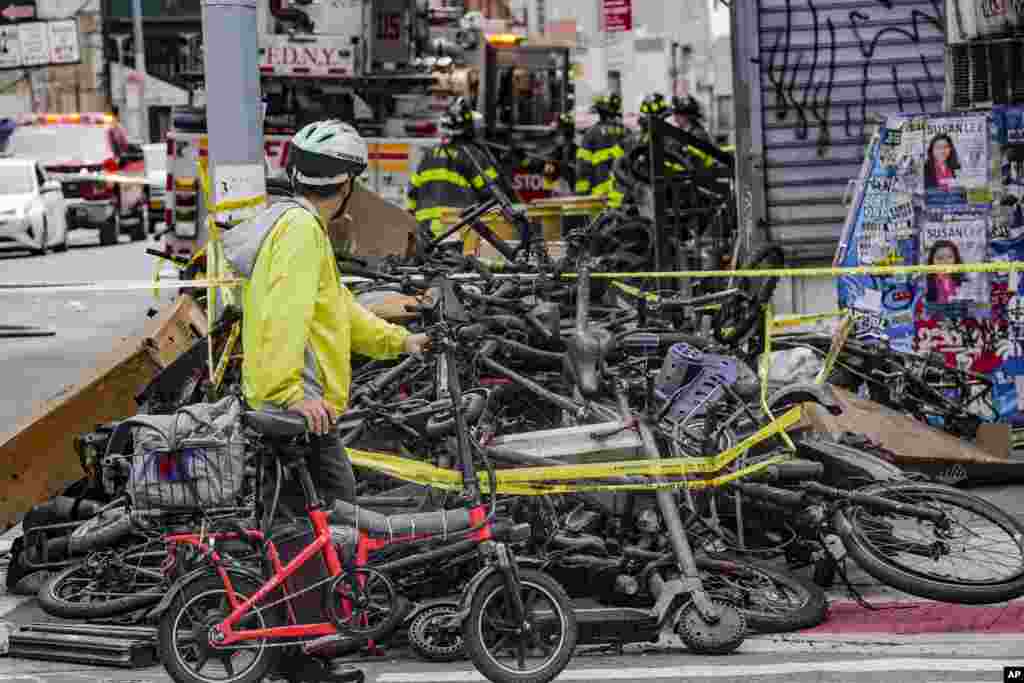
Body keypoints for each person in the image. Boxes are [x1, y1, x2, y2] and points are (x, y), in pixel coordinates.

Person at [223, 119, 430, 516]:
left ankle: (286, 576)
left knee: (299, 520)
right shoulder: (300, 232)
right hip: (298, 410)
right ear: (347, 183)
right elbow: (282, 317)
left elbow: (339, 308)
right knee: (334, 514)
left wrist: (400, 342)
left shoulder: (298, 226)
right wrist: (293, 394)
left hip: (296, 406)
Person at [405, 97, 501, 250]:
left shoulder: (429, 155)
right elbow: (492, 193)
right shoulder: (473, 155)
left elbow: (411, 195)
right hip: (456, 232)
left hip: (425, 234)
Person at [575, 93, 631, 208]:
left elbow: (583, 167)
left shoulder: (591, 134)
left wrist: (582, 193)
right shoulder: (628, 133)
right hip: (623, 194)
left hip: (600, 196)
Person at [925, 239, 965, 304]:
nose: (945, 262)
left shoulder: (963, 279)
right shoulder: (924, 282)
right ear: (932, 261)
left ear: (956, 258)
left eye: (949, 257)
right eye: (939, 258)